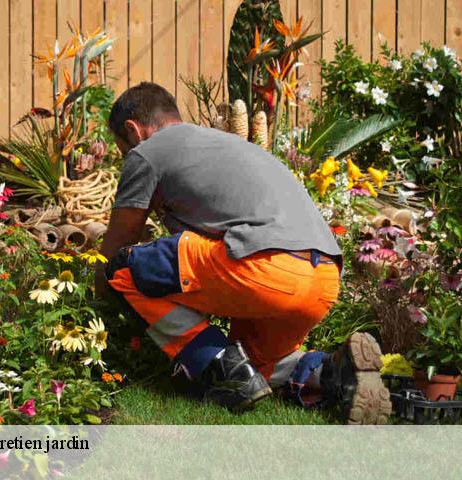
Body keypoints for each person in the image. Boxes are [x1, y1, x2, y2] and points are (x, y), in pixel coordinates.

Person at [95, 82, 391, 424]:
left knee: (125, 269)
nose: (124, 157)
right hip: (324, 279)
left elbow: (116, 246)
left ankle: (223, 368)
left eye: (121, 148)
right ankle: (332, 374)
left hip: (267, 269)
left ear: (133, 130)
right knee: (257, 366)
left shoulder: (147, 151)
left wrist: (97, 306)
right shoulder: (228, 146)